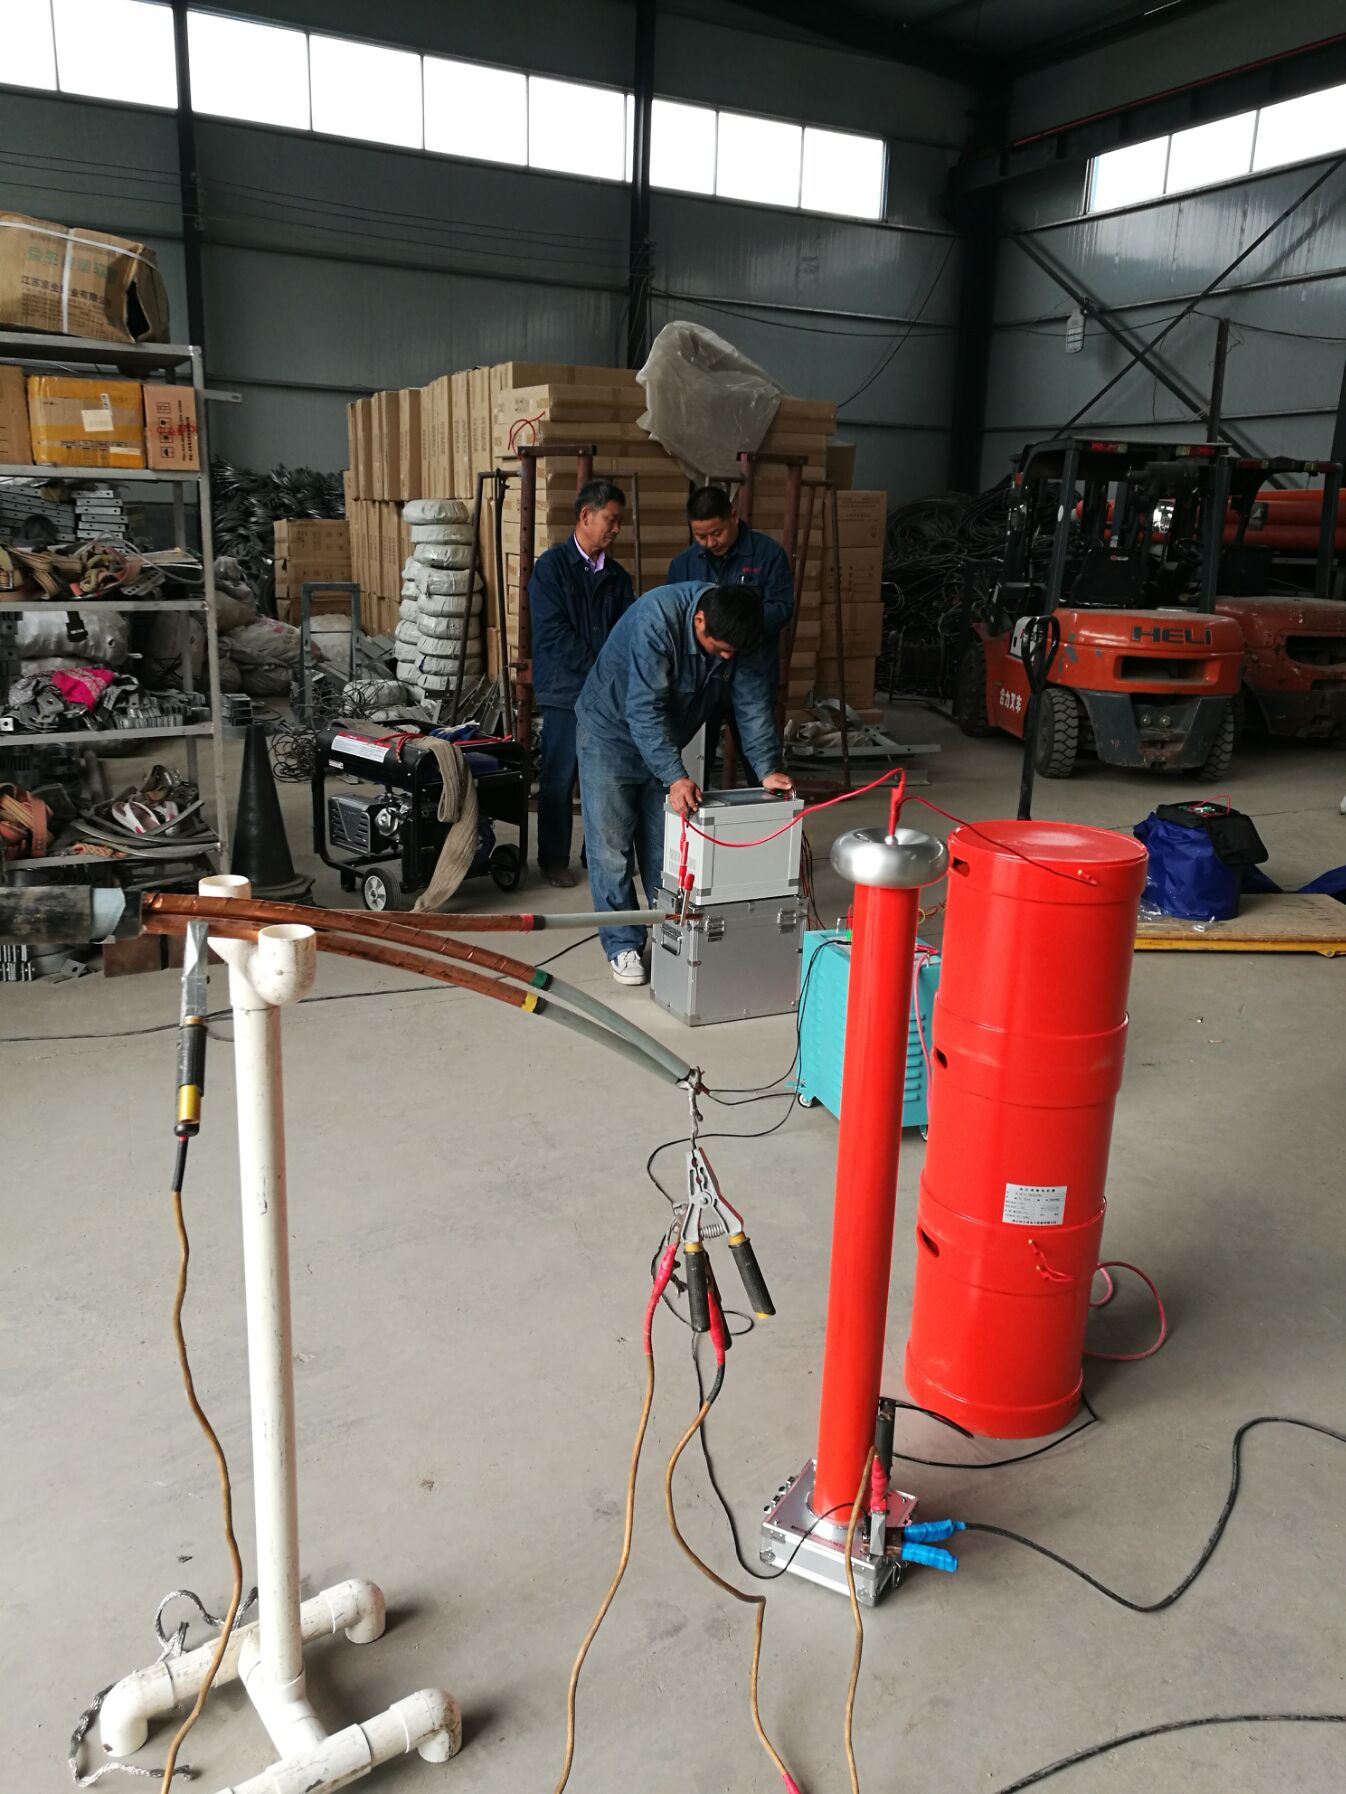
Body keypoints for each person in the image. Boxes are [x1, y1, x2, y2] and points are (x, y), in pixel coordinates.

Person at [575, 580, 794, 985]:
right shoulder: (656, 620)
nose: (727, 658)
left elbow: (752, 703)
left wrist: (766, 768)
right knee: (611, 849)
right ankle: (622, 944)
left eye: (734, 652)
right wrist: (675, 775)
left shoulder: (740, 632)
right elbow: (644, 710)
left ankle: (669, 935)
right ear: (699, 621)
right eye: (720, 649)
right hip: (610, 736)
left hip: (665, 739)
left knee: (670, 850)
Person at [527, 479, 634, 887]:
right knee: (559, 776)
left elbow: (627, 633)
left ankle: (598, 854)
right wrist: (600, 669)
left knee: (605, 776)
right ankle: (553, 859)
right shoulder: (551, 569)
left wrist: (613, 677)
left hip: (607, 694)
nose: (616, 529)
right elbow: (553, 634)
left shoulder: (618, 577)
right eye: (611, 519)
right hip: (565, 690)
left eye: (620, 521)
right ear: (586, 515)